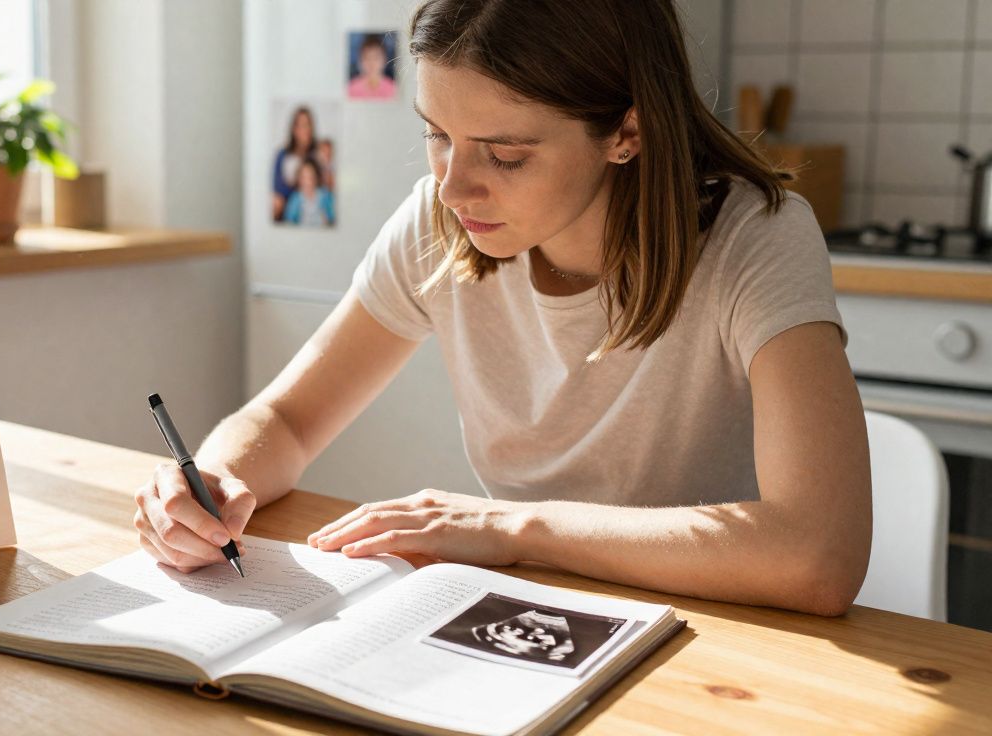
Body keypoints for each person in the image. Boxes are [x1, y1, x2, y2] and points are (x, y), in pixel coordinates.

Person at [135, 0, 871, 617]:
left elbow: (818, 554)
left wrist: (514, 527)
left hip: (718, 631)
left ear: (627, 131)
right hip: (525, 610)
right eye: (436, 135)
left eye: (505, 154)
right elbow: (288, 420)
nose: (454, 189)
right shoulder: (441, 221)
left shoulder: (757, 239)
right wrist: (213, 484)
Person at [272, 106, 317, 221]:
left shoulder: (317, 155)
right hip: (288, 200)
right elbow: (277, 186)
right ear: (294, 129)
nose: (306, 130)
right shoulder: (283, 155)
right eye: (302, 125)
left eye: (308, 125)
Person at [283, 158, 336, 227]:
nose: (308, 182)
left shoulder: (325, 195)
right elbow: (289, 220)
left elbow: (332, 217)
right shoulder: (295, 198)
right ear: (299, 179)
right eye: (304, 177)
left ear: (316, 178)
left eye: (311, 177)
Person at [348, 33, 398, 100]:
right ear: (360, 60)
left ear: (384, 60)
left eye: (376, 58)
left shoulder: (394, 89)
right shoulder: (351, 89)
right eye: (367, 58)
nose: (371, 63)